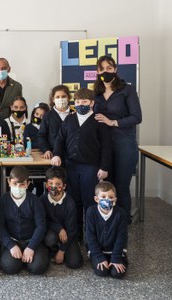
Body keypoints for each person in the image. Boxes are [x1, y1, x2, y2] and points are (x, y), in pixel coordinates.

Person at [51, 88, 111, 242]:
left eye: (84, 101)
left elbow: (106, 146)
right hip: (71, 167)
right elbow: (59, 139)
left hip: (91, 168)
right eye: (77, 102)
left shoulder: (99, 121)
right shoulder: (69, 119)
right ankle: (75, 236)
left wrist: (104, 167)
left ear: (92, 103)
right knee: (73, 201)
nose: (80, 104)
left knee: (89, 202)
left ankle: (91, 236)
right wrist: (57, 154)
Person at [93, 55, 142, 222]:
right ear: (97, 72)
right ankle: (106, 220)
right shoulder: (96, 93)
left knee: (121, 186)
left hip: (124, 143)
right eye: (102, 69)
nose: (106, 71)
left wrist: (112, 122)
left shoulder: (127, 90)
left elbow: (137, 117)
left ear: (115, 69)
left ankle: (122, 223)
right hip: (102, 145)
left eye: (109, 68)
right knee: (105, 186)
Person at [0, 166, 49, 275]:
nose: (18, 187)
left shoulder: (35, 201)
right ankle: (20, 258)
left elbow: (41, 226)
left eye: (22, 184)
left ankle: (29, 256)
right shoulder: (3, 201)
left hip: (31, 240)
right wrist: (10, 245)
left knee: (38, 268)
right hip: (13, 240)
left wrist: (31, 247)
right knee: (10, 267)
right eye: (15, 183)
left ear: (27, 184)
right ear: (9, 182)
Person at [39, 166, 83, 269]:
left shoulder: (70, 203)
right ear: (46, 185)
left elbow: (72, 229)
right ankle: (50, 249)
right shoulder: (42, 200)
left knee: (75, 263)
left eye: (58, 184)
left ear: (64, 186)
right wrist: (59, 228)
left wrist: (62, 251)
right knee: (50, 239)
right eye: (50, 184)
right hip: (52, 232)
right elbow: (43, 221)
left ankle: (62, 249)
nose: (53, 187)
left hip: (68, 234)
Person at [86, 181, 128, 279]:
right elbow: (90, 236)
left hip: (115, 250)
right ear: (96, 199)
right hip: (97, 251)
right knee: (102, 271)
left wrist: (116, 258)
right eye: (103, 197)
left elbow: (121, 237)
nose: (107, 199)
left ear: (115, 200)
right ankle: (98, 258)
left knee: (117, 274)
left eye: (111, 197)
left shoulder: (120, 213)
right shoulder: (91, 212)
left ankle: (116, 260)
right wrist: (99, 257)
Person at [37, 85, 72, 160]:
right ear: (53, 99)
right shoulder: (47, 116)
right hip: (53, 155)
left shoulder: (75, 114)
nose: (61, 99)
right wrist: (46, 150)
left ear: (69, 98)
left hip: (72, 156)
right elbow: (41, 136)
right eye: (57, 97)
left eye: (63, 96)